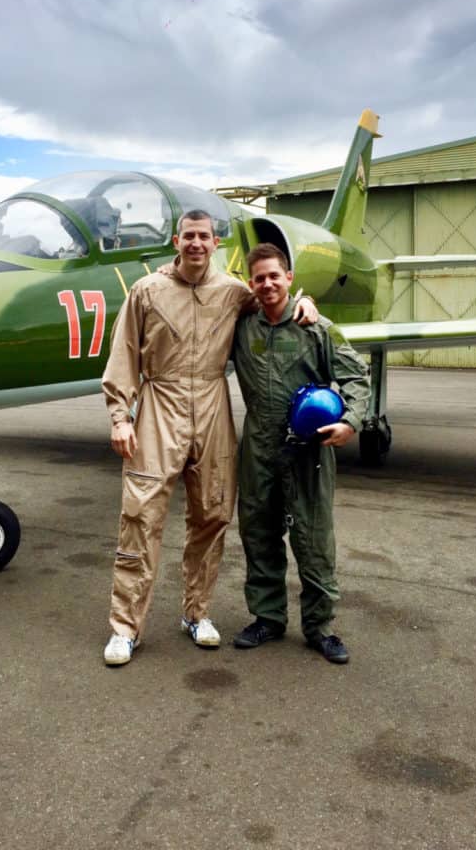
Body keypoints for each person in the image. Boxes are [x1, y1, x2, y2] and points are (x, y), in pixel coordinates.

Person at [101, 213, 318, 666]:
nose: (197, 244)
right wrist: (121, 416)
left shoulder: (234, 292)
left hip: (213, 403)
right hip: (161, 400)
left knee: (213, 514)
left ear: (215, 242)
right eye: (189, 237)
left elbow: (274, 300)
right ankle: (125, 628)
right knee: (141, 514)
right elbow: (122, 353)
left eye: (205, 237)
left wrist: (309, 305)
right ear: (176, 241)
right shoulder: (147, 291)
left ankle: (196, 613)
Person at [231, 243, 370, 665]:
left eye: (275, 275)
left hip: (307, 453)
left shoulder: (316, 328)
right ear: (251, 285)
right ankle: (268, 618)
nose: (268, 283)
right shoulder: (243, 328)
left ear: (289, 277)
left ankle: (320, 627)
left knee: (313, 542)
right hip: (258, 449)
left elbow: (356, 377)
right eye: (259, 278)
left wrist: (351, 422)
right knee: (258, 535)